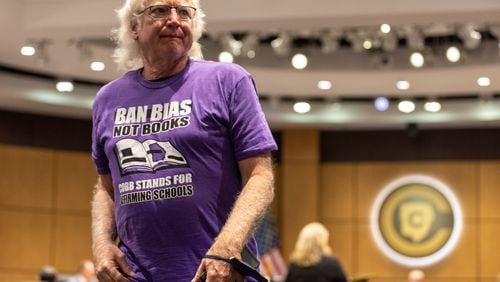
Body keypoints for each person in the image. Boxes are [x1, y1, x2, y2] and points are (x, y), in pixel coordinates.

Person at [91, 0, 277, 281]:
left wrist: (228, 246)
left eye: (184, 12)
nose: (174, 19)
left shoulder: (228, 81)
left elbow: (261, 176)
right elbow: (106, 187)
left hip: (213, 273)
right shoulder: (108, 99)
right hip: (134, 274)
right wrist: (101, 245)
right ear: (134, 28)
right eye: (160, 10)